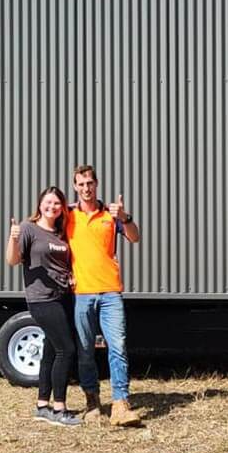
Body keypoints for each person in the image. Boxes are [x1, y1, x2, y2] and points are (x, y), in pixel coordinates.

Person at [67, 164, 142, 426]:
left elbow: (135, 237)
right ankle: (92, 402)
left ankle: (121, 404)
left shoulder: (111, 214)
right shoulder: (68, 215)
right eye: (81, 184)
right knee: (85, 350)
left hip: (110, 292)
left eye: (89, 183)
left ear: (96, 184)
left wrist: (125, 217)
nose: (86, 188)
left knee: (117, 347)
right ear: (75, 187)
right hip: (81, 293)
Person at [5, 186, 81, 427]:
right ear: (40, 204)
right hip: (41, 299)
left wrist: (71, 275)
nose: (52, 207)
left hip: (64, 297)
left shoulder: (61, 232)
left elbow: (65, 262)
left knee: (51, 350)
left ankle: (41, 405)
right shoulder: (28, 228)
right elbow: (12, 260)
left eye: (57, 203)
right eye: (48, 202)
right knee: (66, 350)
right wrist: (13, 238)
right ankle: (59, 408)